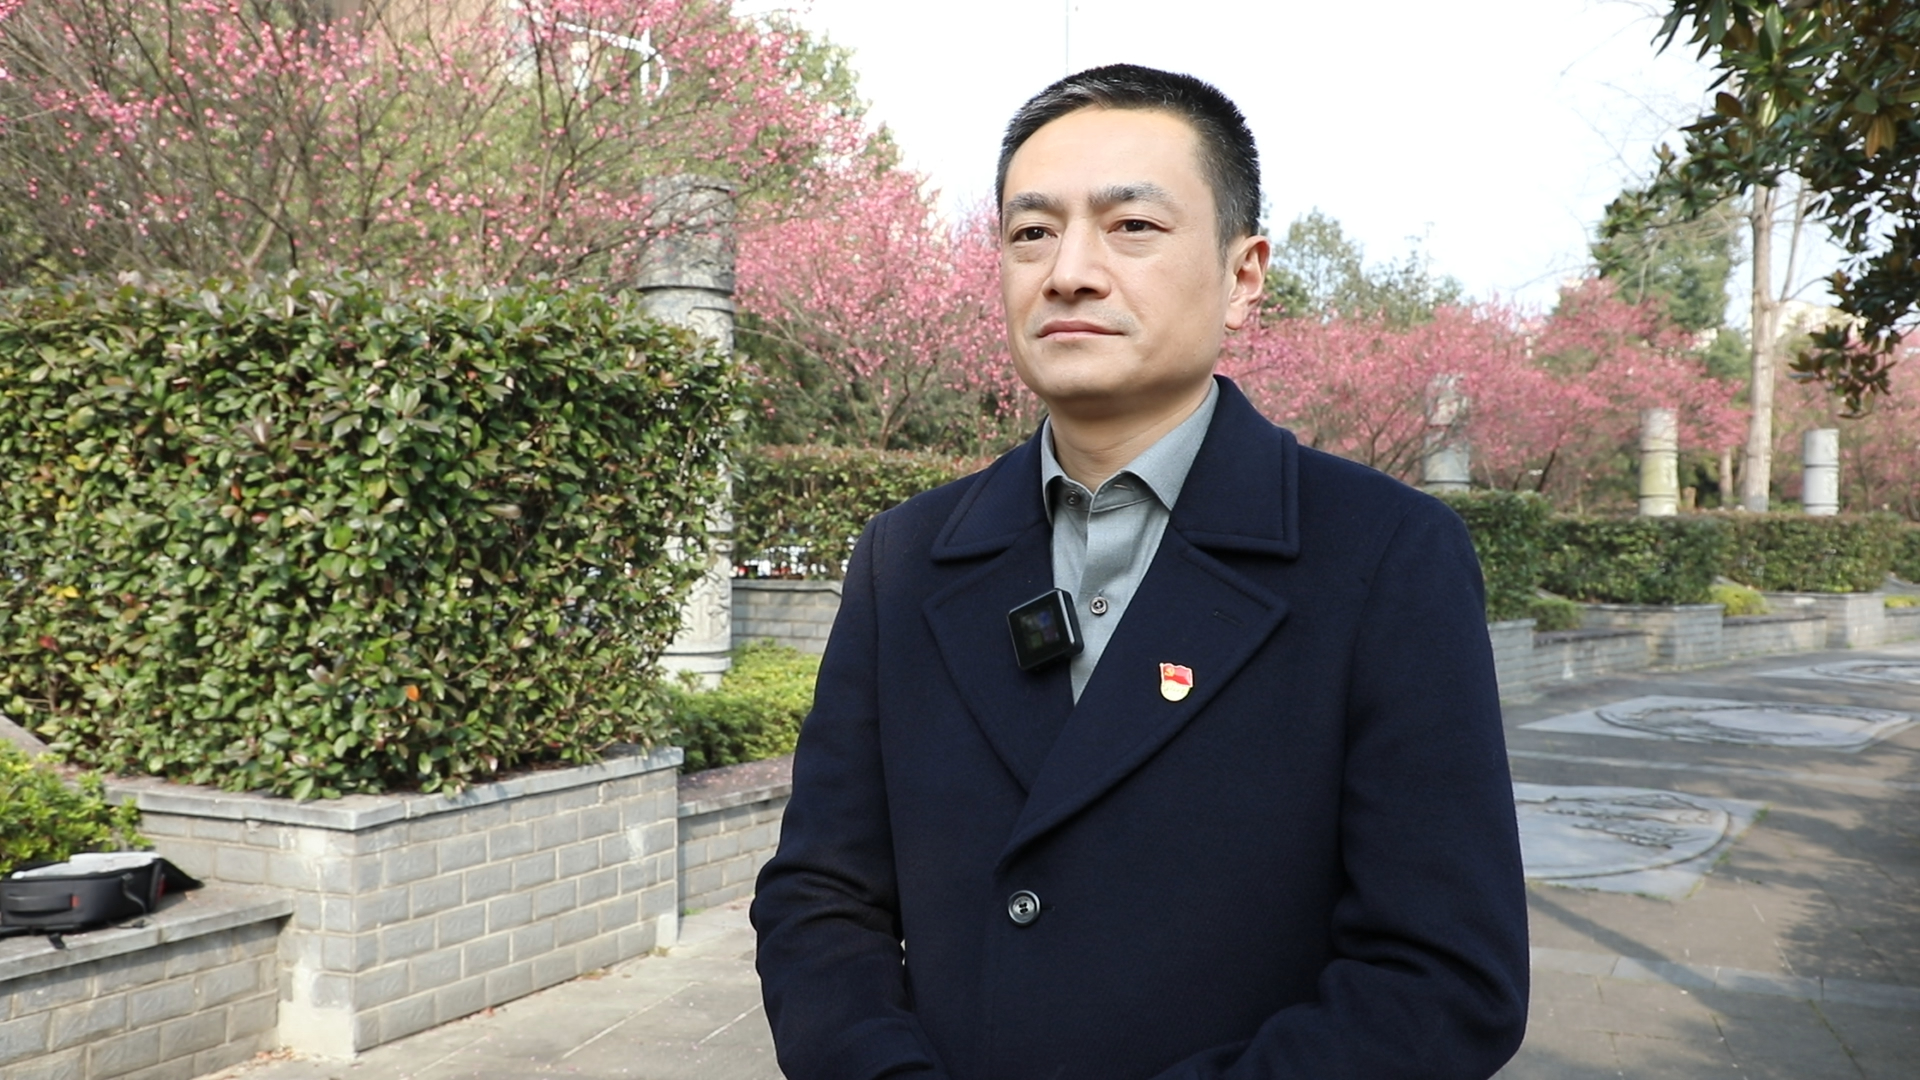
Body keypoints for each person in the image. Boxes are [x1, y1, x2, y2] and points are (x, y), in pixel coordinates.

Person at [750, 64, 1528, 1080]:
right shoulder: (906, 557)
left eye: (1132, 227)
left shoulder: (1384, 555)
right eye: (1033, 232)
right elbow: (820, 897)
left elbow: (1442, 977)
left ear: (1243, 275)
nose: (1069, 271)